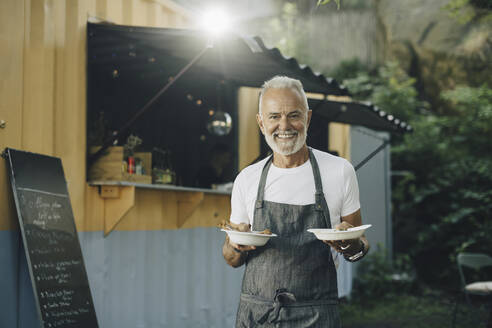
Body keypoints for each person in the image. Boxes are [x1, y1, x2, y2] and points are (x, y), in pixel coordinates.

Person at [222, 76, 370, 327]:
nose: (284, 125)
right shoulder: (247, 179)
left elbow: (361, 246)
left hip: (317, 316)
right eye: (273, 116)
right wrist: (236, 245)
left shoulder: (339, 171)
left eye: (294, 115)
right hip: (258, 316)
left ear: (308, 118)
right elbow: (231, 259)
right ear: (261, 122)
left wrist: (350, 243)